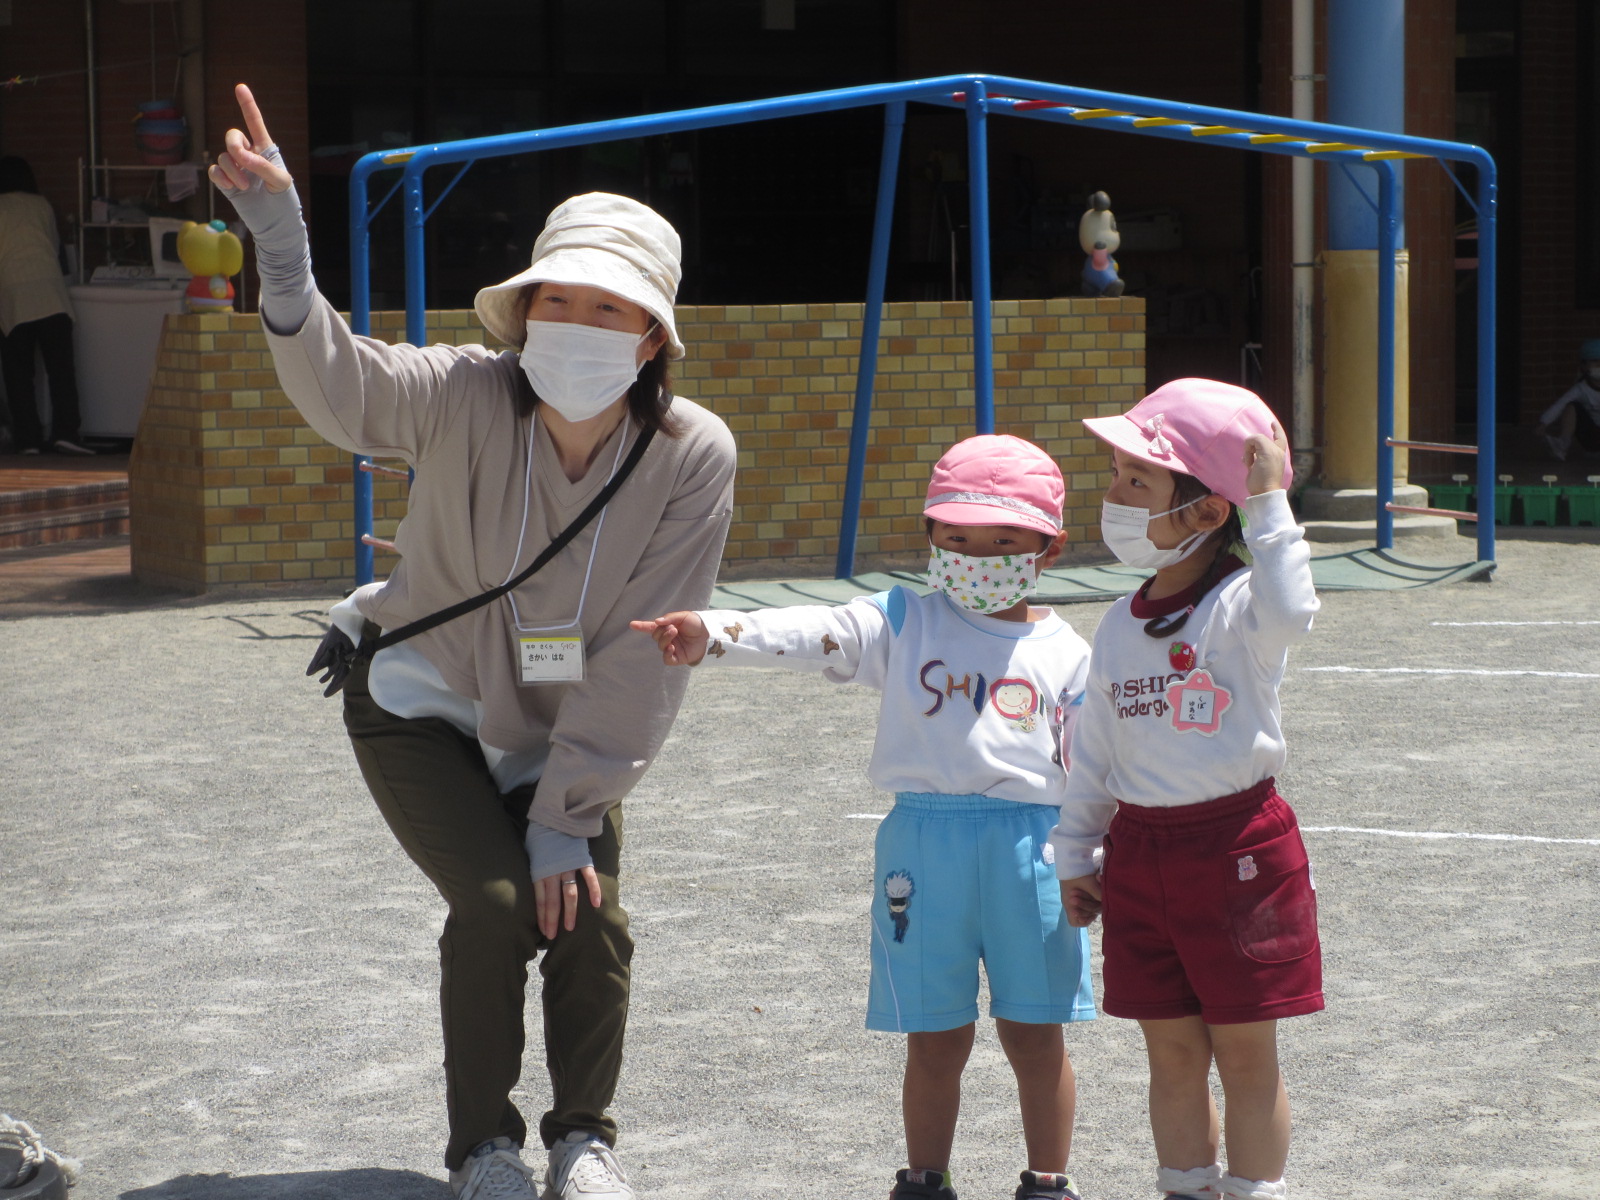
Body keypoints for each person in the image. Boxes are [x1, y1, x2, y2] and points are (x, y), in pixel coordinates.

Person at [209, 84, 736, 1200]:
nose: (579, 326)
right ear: (524, 308)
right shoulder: (460, 392)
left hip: (565, 728)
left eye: (610, 310)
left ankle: (583, 1139)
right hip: (420, 696)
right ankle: (484, 1148)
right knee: (496, 911)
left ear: (652, 336)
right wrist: (283, 248)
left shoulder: (693, 454)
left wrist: (567, 815)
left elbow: (644, 654)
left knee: (590, 919)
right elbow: (344, 391)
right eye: (560, 301)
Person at [633, 435, 1097, 1200]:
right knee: (935, 1033)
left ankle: (1049, 1182)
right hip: (922, 843)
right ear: (931, 539)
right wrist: (713, 634)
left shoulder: (1068, 650)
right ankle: (924, 1180)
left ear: (1049, 547)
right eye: (957, 538)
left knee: (1035, 1032)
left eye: (1003, 540)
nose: (977, 553)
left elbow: (1093, 764)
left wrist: (1096, 857)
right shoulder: (903, 619)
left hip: (1033, 849)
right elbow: (815, 631)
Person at [1049, 379, 1321, 1200]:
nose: (1115, 495)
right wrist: (1075, 851)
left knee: (1244, 1055)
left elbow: (1293, 610)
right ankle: (1184, 1187)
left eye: (1139, 481)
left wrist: (1270, 505)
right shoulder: (1120, 622)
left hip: (1239, 849)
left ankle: (1253, 1190)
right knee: (1169, 1053)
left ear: (1206, 512)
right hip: (1141, 853)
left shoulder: (1242, 604)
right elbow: (1094, 747)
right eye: (1117, 474)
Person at [0, 156, 93, 455]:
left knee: (19, 375)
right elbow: (53, 247)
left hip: (13, 296)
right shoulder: (42, 205)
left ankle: (28, 440)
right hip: (52, 292)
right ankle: (66, 433)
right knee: (61, 370)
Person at [1535, 338, 1600, 462]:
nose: (1599, 365)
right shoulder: (1581, 389)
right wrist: (1544, 422)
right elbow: (1560, 404)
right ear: (1584, 366)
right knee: (1571, 407)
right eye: (1595, 361)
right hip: (1592, 435)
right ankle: (1562, 445)